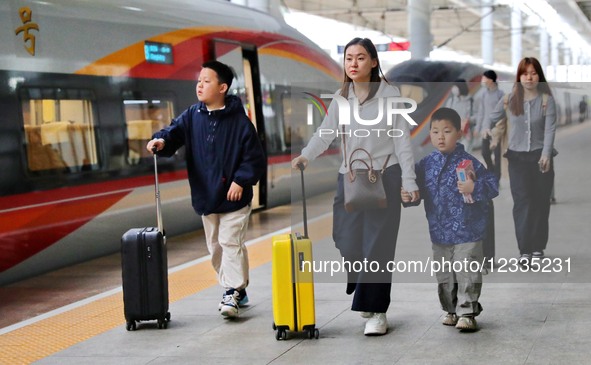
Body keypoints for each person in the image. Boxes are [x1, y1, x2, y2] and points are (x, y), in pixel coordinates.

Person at [291, 37, 420, 336]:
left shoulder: (391, 96)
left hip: (385, 177)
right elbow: (325, 134)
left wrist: (409, 181)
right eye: (349, 58)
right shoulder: (341, 98)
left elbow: (402, 140)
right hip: (349, 178)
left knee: (378, 247)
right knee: (344, 238)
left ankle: (376, 312)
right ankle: (361, 279)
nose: (353, 63)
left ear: (374, 62)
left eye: (360, 58)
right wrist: (306, 156)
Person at [146, 60, 266, 318]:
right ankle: (239, 288)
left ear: (222, 87)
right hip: (205, 197)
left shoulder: (240, 122)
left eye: (207, 81)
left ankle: (231, 292)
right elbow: (173, 133)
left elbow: (254, 157)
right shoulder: (192, 116)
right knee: (216, 247)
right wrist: (161, 140)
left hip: (235, 197)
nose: (200, 85)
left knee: (229, 241)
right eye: (199, 80)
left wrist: (241, 180)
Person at [402, 107, 499, 331]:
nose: (441, 136)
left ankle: (468, 312)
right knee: (445, 275)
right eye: (435, 132)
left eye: (447, 131)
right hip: (439, 232)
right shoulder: (425, 164)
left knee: (467, 270)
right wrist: (407, 195)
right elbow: (415, 191)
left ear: (459, 133)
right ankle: (451, 309)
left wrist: (474, 187)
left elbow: (493, 186)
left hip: (469, 230)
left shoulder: (469, 162)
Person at [487, 57, 556, 267]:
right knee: (523, 203)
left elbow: (550, 129)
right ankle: (525, 250)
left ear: (539, 76)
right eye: (525, 73)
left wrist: (545, 155)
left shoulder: (546, 100)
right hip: (517, 158)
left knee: (541, 203)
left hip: (540, 156)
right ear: (519, 77)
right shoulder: (509, 100)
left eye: (533, 73)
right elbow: (492, 117)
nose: (529, 77)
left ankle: (537, 247)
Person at [475, 70, 504, 181]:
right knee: (484, 152)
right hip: (486, 129)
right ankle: (491, 171)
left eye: (484, 78)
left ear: (491, 80)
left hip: (496, 129)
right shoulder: (484, 95)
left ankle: (496, 179)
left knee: (497, 156)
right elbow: (481, 112)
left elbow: (503, 113)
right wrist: (478, 127)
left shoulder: (500, 94)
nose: (483, 80)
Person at [444, 79, 474, 152]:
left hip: (466, 134)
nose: (453, 89)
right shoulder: (450, 101)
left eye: (455, 86)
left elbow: (476, 116)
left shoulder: (470, 101)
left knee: (465, 156)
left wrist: (468, 120)